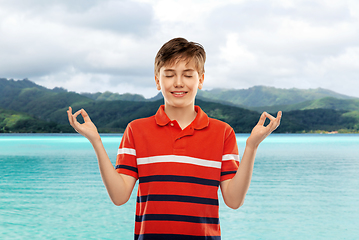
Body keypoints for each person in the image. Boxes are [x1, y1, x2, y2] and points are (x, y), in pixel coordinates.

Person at [67, 37, 282, 240]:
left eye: (188, 75)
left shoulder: (222, 132)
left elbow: (234, 201)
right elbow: (119, 195)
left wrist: (252, 146)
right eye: (169, 74)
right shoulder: (136, 130)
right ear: (157, 81)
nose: (178, 82)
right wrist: (95, 140)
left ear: (201, 80)